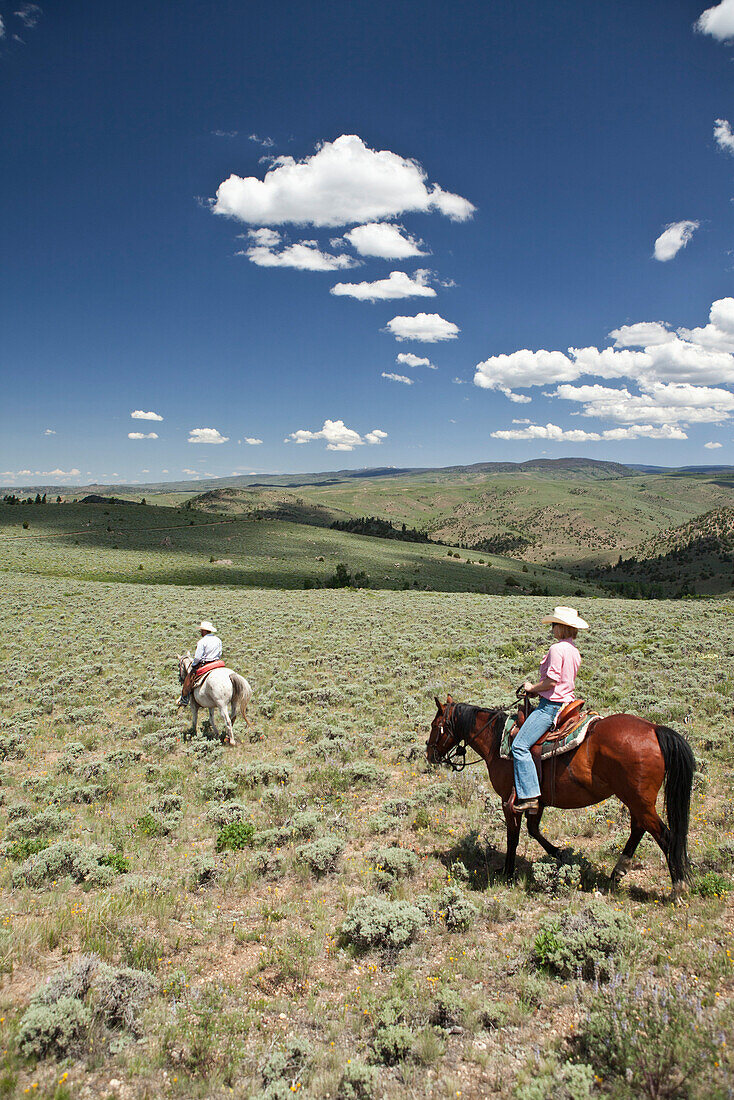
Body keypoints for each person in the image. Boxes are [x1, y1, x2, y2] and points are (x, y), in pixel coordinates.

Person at [511, 606, 589, 813]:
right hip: (566, 703)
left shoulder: (557, 649)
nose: (552, 628)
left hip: (551, 707)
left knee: (519, 746)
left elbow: (552, 682)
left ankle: (530, 797)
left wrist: (531, 688)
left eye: (554, 624)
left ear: (562, 627)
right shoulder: (574, 651)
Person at [178, 621, 223, 706]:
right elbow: (220, 653)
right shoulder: (218, 640)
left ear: (205, 631)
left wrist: (194, 664)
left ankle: (184, 699)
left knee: (189, 678)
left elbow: (198, 657)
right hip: (217, 663)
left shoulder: (202, 641)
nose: (201, 632)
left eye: (201, 630)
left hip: (205, 664)